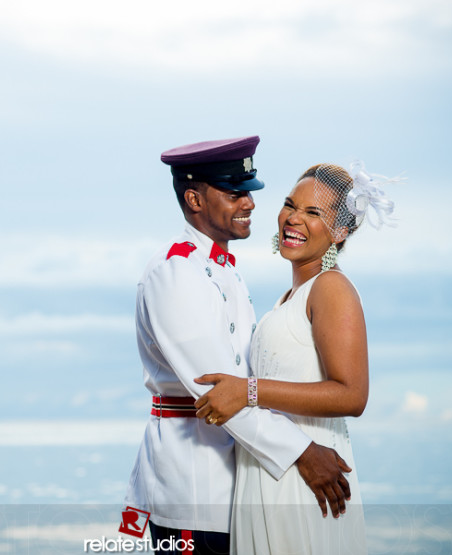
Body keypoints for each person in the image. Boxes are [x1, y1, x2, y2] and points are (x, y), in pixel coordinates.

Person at [123, 138, 354, 555]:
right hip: (197, 487)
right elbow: (219, 390)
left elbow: (245, 383)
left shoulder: (224, 269)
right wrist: (302, 450)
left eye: (249, 192)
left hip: (242, 482)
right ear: (195, 198)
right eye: (234, 194)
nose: (249, 203)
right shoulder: (176, 273)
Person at [193, 162, 398, 553]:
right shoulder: (288, 298)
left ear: (340, 231)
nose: (293, 218)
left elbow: (352, 395)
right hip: (271, 470)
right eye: (290, 204)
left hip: (306, 479)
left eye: (313, 212)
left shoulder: (331, 289)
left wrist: (248, 391)